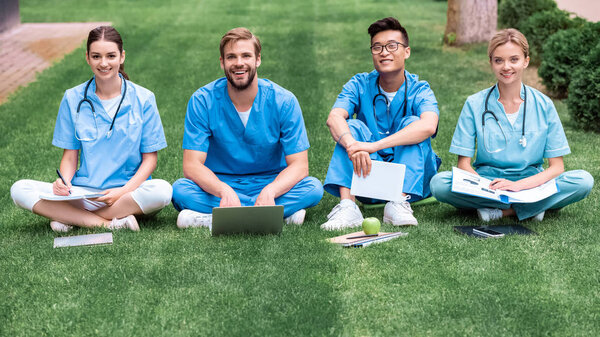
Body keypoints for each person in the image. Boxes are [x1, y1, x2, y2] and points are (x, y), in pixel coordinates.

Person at [10, 26, 172, 232]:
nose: (103, 63)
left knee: (162, 191)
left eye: (110, 56)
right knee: (19, 189)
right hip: (83, 194)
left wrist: (122, 191)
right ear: (87, 58)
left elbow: (150, 160)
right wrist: (64, 182)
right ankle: (106, 223)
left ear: (122, 57)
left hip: (127, 194)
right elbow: (70, 156)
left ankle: (71, 218)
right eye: (96, 56)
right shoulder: (72, 98)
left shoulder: (144, 99)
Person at [430, 29, 593, 222]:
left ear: (526, 61)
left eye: (514, 59)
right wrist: (488, 187)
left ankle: (504, 211)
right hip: (488, 183)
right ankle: (532, 208)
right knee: (439, 183)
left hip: (532, 183)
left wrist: (519, 186)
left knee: (583, 180)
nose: (506, 67)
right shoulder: (474, 104)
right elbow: (463, 164)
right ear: (491, 63)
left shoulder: (544, 104)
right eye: (499, 60)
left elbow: (557, 167)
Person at [171, 27, 323, 228]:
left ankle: (215, 217)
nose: (239, 63)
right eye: (231, 57)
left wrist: (270, 191)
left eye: (246, 55)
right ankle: (277, 214)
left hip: (270, 182)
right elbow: (192, 166)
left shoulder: (284, 101)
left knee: (313, 187)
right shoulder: (202, 100)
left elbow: (300, 165)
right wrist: (223, 191)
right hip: (220, 183)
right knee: (180, 190)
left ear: (257, 59)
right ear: (222, 62)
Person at [321, 17, 441, 230]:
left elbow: (428, 126)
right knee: (353, 127)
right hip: (367, 174)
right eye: (377, 47)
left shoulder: (420, 89)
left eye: (392, 46)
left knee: (413, 123)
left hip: (412, 180)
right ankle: (348, 206)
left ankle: (398, 203)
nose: (384, 52)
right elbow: (334, 117)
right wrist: (352, 144)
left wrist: (373, 146)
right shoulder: (359, 84)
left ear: (407, 51)